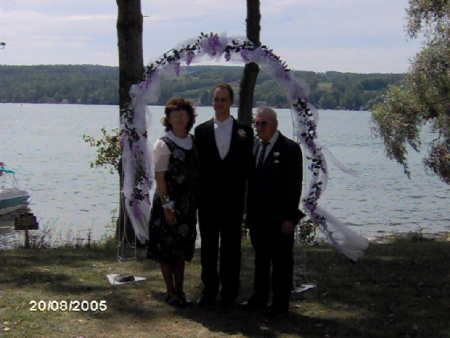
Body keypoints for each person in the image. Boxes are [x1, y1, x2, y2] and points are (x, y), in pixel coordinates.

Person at [241, 106, 305, 318]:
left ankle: (279, 303)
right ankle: (259, 297)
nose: (259, 127)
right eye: (256, 124)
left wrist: (289, 218)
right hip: (258, 216)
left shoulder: (290, 148)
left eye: (263, 123)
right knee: (261, 259)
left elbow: (294, 186)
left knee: (281, 262)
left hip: (280, 218)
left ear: (275, 124)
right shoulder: (254, 146)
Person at [194, 83, 253, 308]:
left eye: (223, 99)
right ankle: (209, 290)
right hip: (208, 201)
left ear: (231, 102)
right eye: (216, 99)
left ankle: (230, 292)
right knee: (208, 247)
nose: (219, 103)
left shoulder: (245, 131)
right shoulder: (201, 131)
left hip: (233, 201)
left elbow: (247, 166)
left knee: (231, 248)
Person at [147, 97, 199, 307]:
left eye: (182, 114)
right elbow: (160, 178)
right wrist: (167, 206)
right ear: (168, 118)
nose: (179, 118)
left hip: (187, 206)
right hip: (167, 206)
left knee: (181, 250)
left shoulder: (193, 141)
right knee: (167, 250)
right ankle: (170, 291)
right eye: (174, 115)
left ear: (189, 117)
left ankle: (181, 290)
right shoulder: (163, 143)